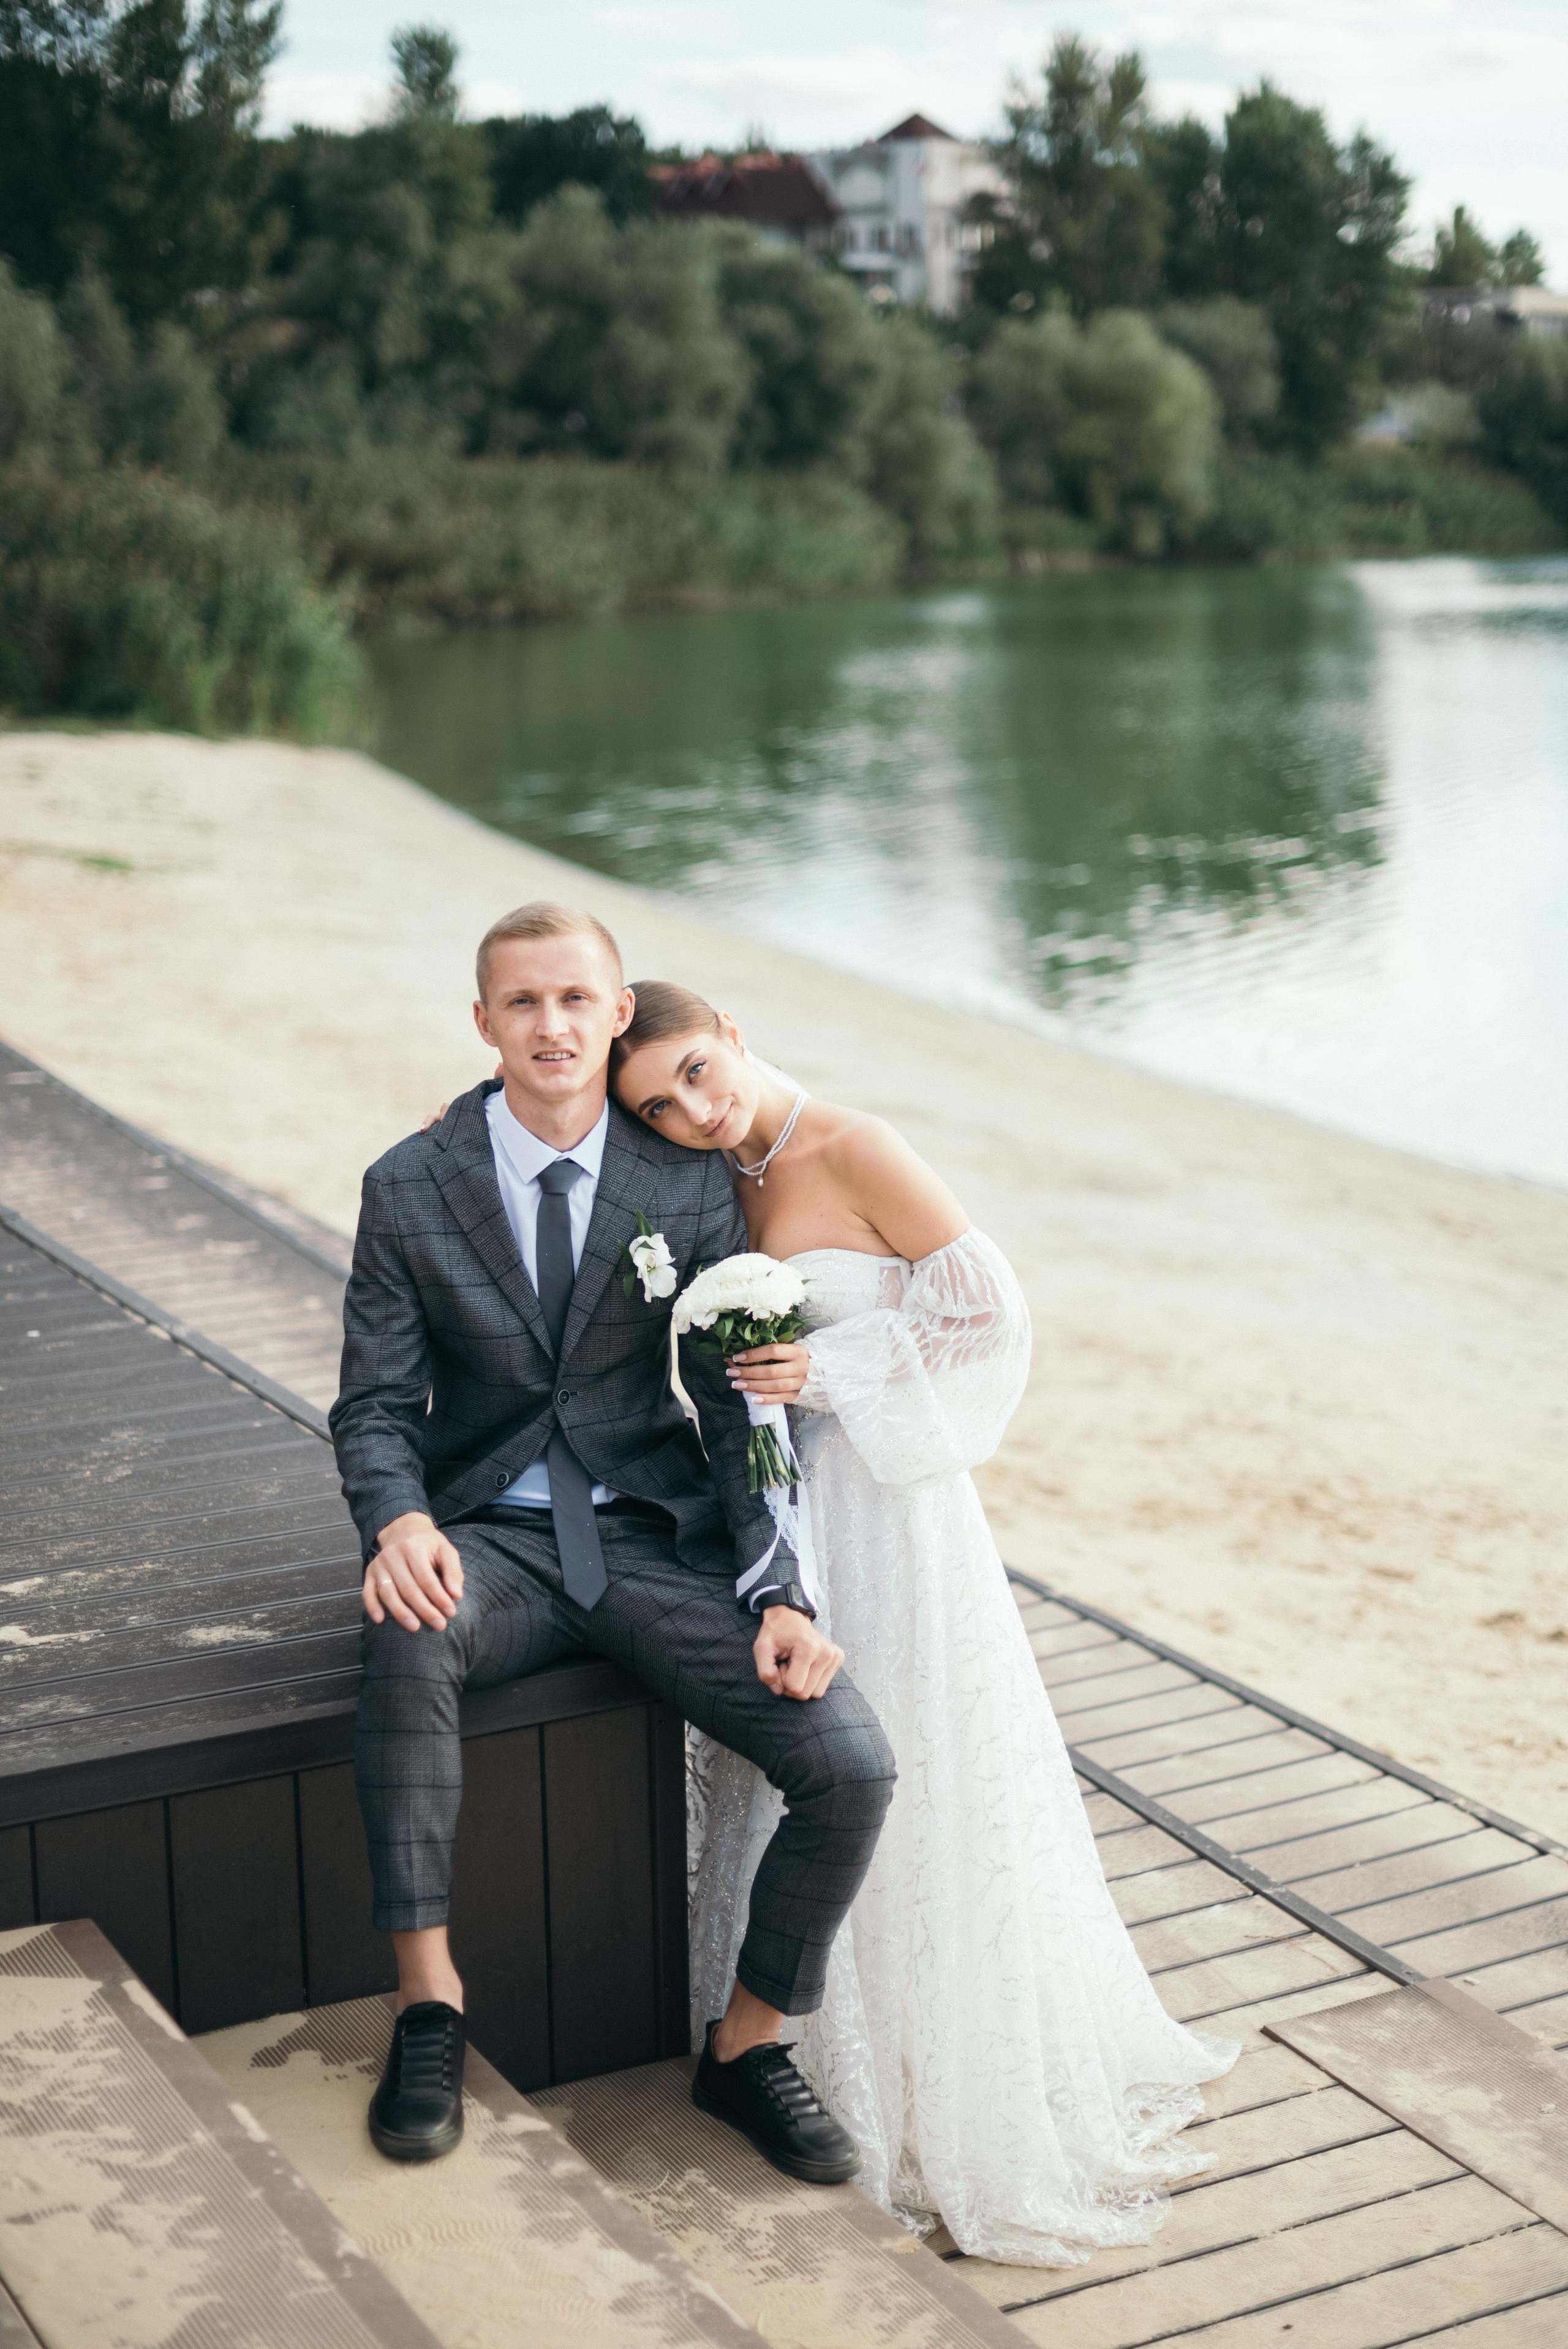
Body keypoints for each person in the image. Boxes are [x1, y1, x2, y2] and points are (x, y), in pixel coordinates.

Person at [607, 981, 1238, 2268]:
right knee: (796, 1757)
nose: (690, 1110)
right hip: (780, 1518)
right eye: (658, 1107)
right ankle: (776, 2034)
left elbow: (990, 1316)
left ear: (732, 1031)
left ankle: (923, 2062)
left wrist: (826, 1369)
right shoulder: (707, 1182)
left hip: (889, 1503)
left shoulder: (858, 1146)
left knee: (908, 1751)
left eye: (693, 1071)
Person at [330, 903, 895, 2182]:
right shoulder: (410, 1185)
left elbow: (739, 1409)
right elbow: (374, 1404)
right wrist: (399, 1520)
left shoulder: (687, 1184)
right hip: (488, 1536)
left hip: (652, 1540)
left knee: (850, 1764)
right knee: (406, 1635)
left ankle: (744, 2048)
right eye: (523, 1002)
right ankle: (428, 2009)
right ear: (484, 1022)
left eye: (575, 998)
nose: (552, 1025)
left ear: (617, 1011)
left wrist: (783, 1590)